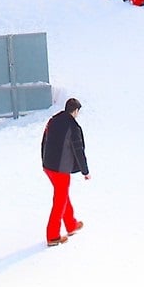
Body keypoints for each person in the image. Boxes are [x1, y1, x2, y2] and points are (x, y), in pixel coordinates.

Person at [40, 98, 88, 246]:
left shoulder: (53, 120)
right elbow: (78, 150)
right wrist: (85, 171)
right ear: (75, 111)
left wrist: (44, 160)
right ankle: (53, 236)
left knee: (62, 194)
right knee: (60, 200)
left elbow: (44, 140)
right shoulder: (73, 127)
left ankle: (71, 224)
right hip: (60, 169)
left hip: (48, 166)